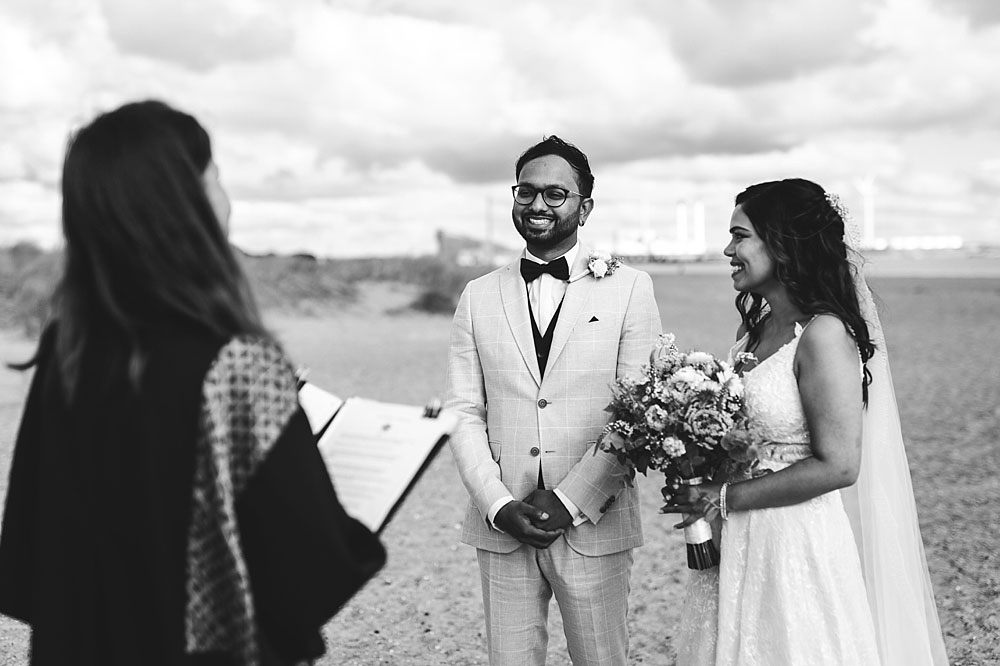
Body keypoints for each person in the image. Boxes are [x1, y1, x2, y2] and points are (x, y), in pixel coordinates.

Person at [0, 100, 386, 666]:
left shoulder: (69, 347)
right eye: (218, 179)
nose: (227, 200)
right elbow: (307, 577)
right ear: (186, 206)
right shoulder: (238, 362)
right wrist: (355, 534)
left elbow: (27, 561)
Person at [666, 178, 949, 665]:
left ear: (781, 243)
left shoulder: (823, 335)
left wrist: (724, 497)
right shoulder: (752, 331)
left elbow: (839, 465)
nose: (727, 249)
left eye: (740, 236)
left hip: (795, 541)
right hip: (737, 542)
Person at [445, 136, 662, 666]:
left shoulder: (630, 289)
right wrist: (497, 504)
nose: (537, 205)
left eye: (555, 194)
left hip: (594, 518)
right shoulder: (477, 295)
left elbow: (639, 412)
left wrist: (568, 502)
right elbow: (464, 412)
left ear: (584, 207)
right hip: (504, 523)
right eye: (526, 191)